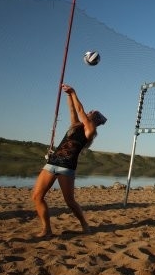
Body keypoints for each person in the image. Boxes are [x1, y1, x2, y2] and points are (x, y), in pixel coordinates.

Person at [32, 83, 107, 237]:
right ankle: (47, 229)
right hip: (52, 162)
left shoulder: (90, 131)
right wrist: (68, 95)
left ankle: (85, 225)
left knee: (70, 202)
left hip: (66, 167)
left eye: (91, 112)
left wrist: (73, 92)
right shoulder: (75, 126)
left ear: (95, 119)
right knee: (37, 197)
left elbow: (80, 110)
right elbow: (73, 110)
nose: (88, 112)